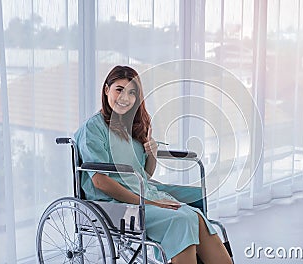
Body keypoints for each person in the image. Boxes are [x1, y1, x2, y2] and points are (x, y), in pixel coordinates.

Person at [74, 65, 232, 264]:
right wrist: (151, 203)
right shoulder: (93, 129)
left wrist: (152, 154)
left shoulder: (131, 127)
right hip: (112, 203)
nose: (125, 98)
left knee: (196, 216)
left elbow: (144, 175)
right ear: (107, 90)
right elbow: (100, 182)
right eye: (119, 89)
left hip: (142, 193)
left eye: (132, 93)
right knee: (181, 220)